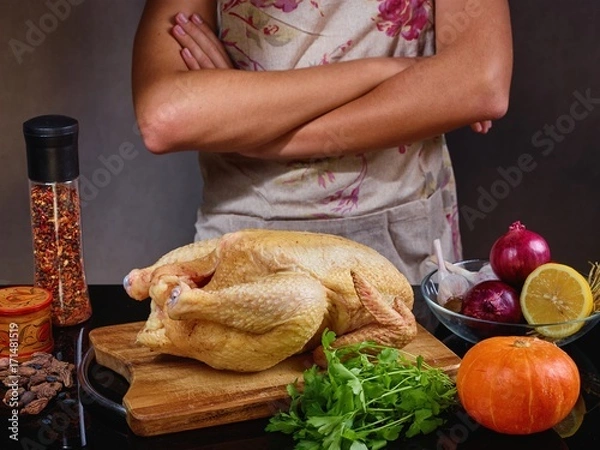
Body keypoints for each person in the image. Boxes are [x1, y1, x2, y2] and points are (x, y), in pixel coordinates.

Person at [131, 0, 513, 330]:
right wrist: (386, 71)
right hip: (240, 249)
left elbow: (481, 82)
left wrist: (260, 136)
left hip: (400, 245)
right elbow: (166, 117)